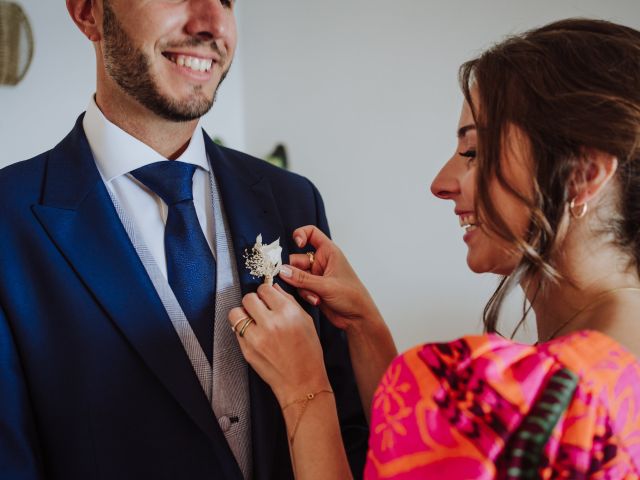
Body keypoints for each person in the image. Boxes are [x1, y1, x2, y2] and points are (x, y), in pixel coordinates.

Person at [227, 18, 640, 478]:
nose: (441, 184)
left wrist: (305, 388)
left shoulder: (511, 394)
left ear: (583, 176)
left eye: (474, 151)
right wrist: (366, 327)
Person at [0, 1, 368, 479]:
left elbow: (350, 429)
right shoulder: (9, 220)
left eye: (227, 0)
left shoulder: (293, 201)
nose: (211, 23)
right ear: (88, 12)